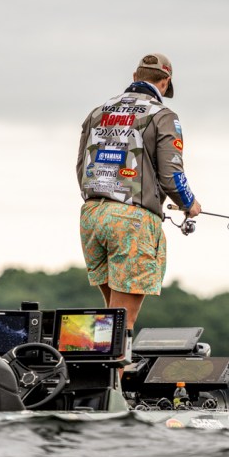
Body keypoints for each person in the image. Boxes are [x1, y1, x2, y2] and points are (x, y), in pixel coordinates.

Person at [76, 53, 201, 334]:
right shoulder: (163, 116)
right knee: (122, 324)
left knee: (109, 320)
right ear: (166, 82)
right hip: (132, 221)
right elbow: (171, 175)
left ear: (135, 77)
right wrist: (189, 203)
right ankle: (118, 364)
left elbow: (81, 167)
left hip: (92, 216)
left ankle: (105, 362)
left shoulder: (97, 112)